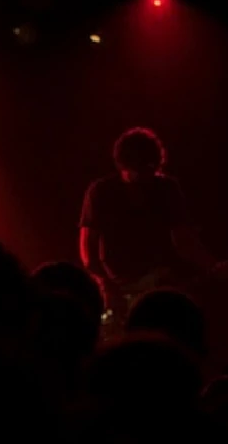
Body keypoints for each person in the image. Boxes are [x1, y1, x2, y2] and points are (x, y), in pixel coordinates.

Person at [79, 127, 215, 315]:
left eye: (150, 169)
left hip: (163, 281)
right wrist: (105, 285)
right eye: (138, 170)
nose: (146, 176)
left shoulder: (167, 188)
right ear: (122, 166)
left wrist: (214, 268)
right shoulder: (100, 192)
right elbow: (88, 249)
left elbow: (184, 241)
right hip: (120, 286)